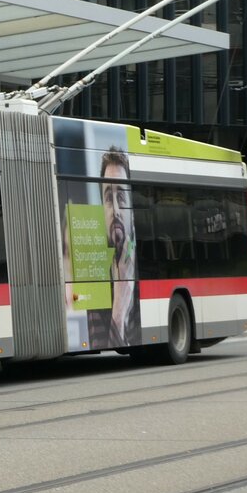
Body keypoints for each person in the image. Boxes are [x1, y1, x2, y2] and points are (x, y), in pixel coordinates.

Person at [96, 146, 140, 348]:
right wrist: (119, 306)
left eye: (121, 197)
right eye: (108, 198)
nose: (115, 210)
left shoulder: (145, 271)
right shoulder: (95, 278)